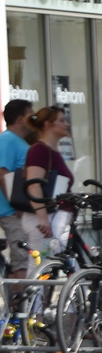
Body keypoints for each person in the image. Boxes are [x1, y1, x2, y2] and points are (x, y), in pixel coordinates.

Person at [18, 106, 76, 252]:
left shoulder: (52, 150)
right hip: (46, 218)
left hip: (55, 216)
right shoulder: (40, 150)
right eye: (61, 120)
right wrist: (43, 218)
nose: (67, 124)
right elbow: (33, 184)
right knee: (42, 264)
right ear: (47, 124)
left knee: (61, 263)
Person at [0, 99, 33, 279]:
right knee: (21, 259)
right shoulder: (7, 140)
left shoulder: (19, 142)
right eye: (31, 115)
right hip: (10, 211)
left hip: (16, 210)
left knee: (23, 258)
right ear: (20, 119)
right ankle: (17, 306)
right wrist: (16, 206)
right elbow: (2, 173)